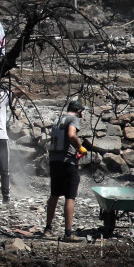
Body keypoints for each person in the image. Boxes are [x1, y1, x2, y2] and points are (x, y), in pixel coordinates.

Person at [44, 100, 87, 242]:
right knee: (70, 196)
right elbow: (71, 135)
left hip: (54, 161)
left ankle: (48, 229)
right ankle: (68, 234)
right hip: (67, 162)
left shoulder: (57, 119)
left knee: (54, 194)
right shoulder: (73, 119)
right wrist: (80, 147)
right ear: (79, 111)